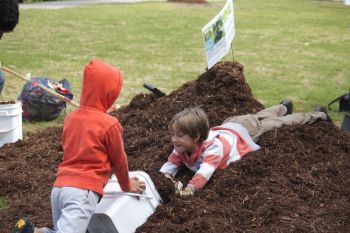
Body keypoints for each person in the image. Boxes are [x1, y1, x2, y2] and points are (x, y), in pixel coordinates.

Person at [11, 59, 146, 233]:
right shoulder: (110, 124)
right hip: (82, 193)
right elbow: (119, 160)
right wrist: (126, 185)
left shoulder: (71, 118)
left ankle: (35, 232)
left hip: (59, 188)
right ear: (109, 93)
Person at [160, 100, 329, 196]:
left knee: (277, 124)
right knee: (259, 117)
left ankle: (317, 114)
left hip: (244, 132)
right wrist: (164, 179)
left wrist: (189, 190)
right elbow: (169, 166)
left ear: (196, 137)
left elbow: (204, 173)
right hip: (229, 125)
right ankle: (283, 107)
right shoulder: (181, 147)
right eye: (172, 134)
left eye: (179, 135)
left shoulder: (213, 149)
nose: (174, 140)